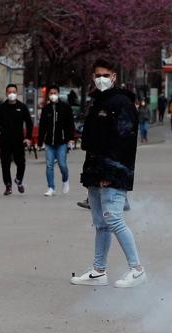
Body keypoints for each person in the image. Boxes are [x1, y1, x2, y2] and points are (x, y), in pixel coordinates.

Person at [70, 58, 146, 288]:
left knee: (113, 218)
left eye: (105, 75)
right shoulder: (98, 103)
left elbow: (123, 141)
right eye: (97, 75)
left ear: (114, 76)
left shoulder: (121, 103)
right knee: (101, 223)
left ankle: (137, 269)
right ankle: (98, 271)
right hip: (94, 171)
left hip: (112, 171)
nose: (100, 79)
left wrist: (110, 173)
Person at [38, 85, 76, 196]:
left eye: (55, 93)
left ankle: (65, 179)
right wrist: (40, 141)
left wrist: (70, 139)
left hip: (62, 142)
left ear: (58, 94)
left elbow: (70, 124)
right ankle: (51, 187)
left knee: (62, 164)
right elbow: (42, 126)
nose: (53, 95)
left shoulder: (65, 107)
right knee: (49, 165)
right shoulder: (46, 109)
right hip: (49, 142)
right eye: (51, 93)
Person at [0, 84, 33, 195]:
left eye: (13, 91)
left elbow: (29, 123)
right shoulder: (1, 108)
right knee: (5, 163)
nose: (11, 94)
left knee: (21, 163)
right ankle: (8, 185)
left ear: (17, 93)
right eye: (9, 92)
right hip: (5, 141)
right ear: (6, 93)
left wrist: (28, 138)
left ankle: (18, 180)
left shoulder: (22, 107)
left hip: (19, 141)